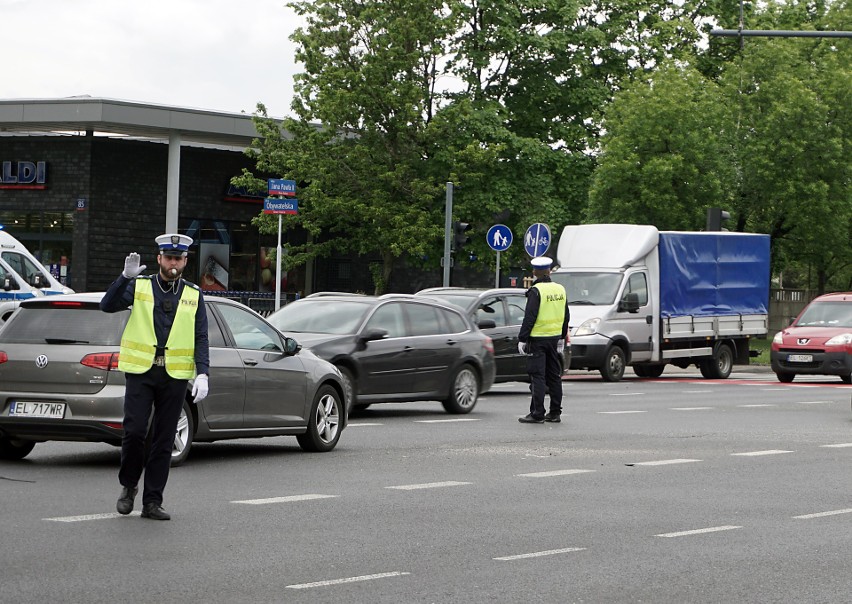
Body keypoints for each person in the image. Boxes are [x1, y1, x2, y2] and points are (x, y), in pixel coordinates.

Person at [100, 233, 210, 520]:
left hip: (174, 375)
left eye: (179, 258)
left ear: (185, 261)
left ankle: (152, 502)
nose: (173, 263)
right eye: (169, 257)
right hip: (142, 371)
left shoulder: (193, 294)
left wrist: (203, 374)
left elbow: (201, 337)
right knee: (134, 432)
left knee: (164, 439)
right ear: (159, 258)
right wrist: (124, 277)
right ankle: (129, 486)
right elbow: (107, 305)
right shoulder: (139, 286)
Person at [517, 256, 569, 424]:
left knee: (538, 376)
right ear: (549, 271)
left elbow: (529, 317)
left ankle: (537, 413)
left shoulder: (536, 291)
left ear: (534, 272)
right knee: (554, 376)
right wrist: (562, 337)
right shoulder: (560, 289)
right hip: (554, 339)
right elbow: (566, 315)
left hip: (538, 340)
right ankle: (555, 412)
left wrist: (522, 339)